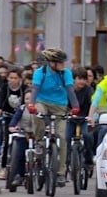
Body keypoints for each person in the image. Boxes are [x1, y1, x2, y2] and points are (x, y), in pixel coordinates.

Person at [27, 48, 80, 187]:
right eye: (60, 62)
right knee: (37, 112)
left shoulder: (66, 73)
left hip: (60, 106)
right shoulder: (40, 73)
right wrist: (31, 104)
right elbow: (35, 89)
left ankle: (61, 173)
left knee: (62, 137)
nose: (63, 64)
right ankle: (39, 141)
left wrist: (75, 106)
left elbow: (70, 90)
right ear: (51, 63)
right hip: (42, 102)